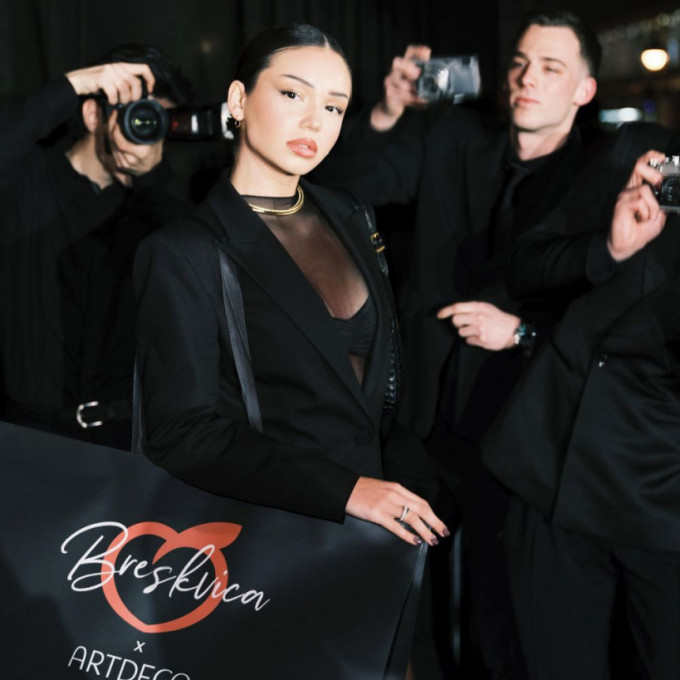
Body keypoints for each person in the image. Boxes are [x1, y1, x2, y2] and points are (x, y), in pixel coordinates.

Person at [133, 23, 449, 670]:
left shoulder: (351, 216)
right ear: (238, 100)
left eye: (334, 106)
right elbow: (181, 433)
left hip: (378, 544)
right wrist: (345, 490)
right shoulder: (185, 251)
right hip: (265, 552)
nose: (316, 121)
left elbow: (372, 390)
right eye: (292, 94)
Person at [315, 9, 600, 680]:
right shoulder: (454, 138)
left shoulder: (599, 177)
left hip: (523, 435)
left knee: (503, 627)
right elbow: (344, 188)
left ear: (584, 90)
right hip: (425, 422)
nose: (527, 79)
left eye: (551, 68)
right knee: (392, 608)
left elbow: (608, 316)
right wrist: (386, 112)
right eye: (520, 64)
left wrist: (521, 332)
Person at [482, 121, 680, 680]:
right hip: (556, 471)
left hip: (666, 497)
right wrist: (608, 248)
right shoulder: (643, 153)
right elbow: (526, 266)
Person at [0, 44, 194, 449]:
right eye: (136, 114)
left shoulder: (156, 210)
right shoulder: (27, 181)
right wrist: (73, 85)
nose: (143, 130)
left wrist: (149, 178)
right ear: (93, 115)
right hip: (25, 434)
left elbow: (190, 259)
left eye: (154, 120)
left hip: (120, 441)